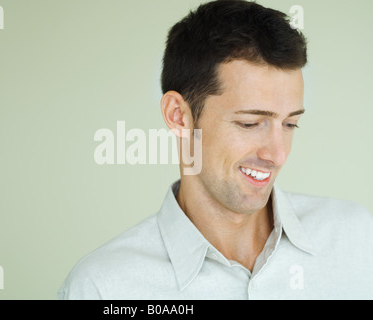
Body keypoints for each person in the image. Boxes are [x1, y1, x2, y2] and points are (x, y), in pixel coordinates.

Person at [58, 0, 373, 299]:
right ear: (178, 116)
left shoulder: (357, 240)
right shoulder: (103, 287)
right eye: (250, 123)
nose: (277, 155)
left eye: (290, 125)